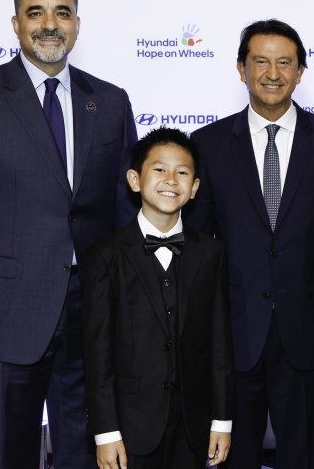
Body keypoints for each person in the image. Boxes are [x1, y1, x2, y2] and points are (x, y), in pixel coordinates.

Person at [0, 0, 137, 469]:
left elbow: (124, 214)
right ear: (16, 24)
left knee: (85, 456)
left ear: (77, 24)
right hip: (5, 321)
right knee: (7, 455)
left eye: (62, 13)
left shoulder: (110, 101)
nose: (49, 24)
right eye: (36, 12)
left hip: (90, 318)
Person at [184, 19, 314, 469]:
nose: (272, 73)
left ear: (301, 72)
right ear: (241, 69)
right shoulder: (207, 144)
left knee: (300, 455)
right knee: (232, 455)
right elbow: (197, 245)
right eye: (260, 62)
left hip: (308, 331)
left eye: (284, 63)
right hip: (233, 332)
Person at [81, 126, 235, 469]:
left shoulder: (211, 253)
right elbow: (97, 354)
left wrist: (222, 420)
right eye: (160, 169)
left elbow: (220, 344)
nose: (171, 180)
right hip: (129, 427)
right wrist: (105, 432)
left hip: (193, 425)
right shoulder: (104, 256)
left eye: (182, 172)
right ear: (135, 180)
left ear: (194, 188)